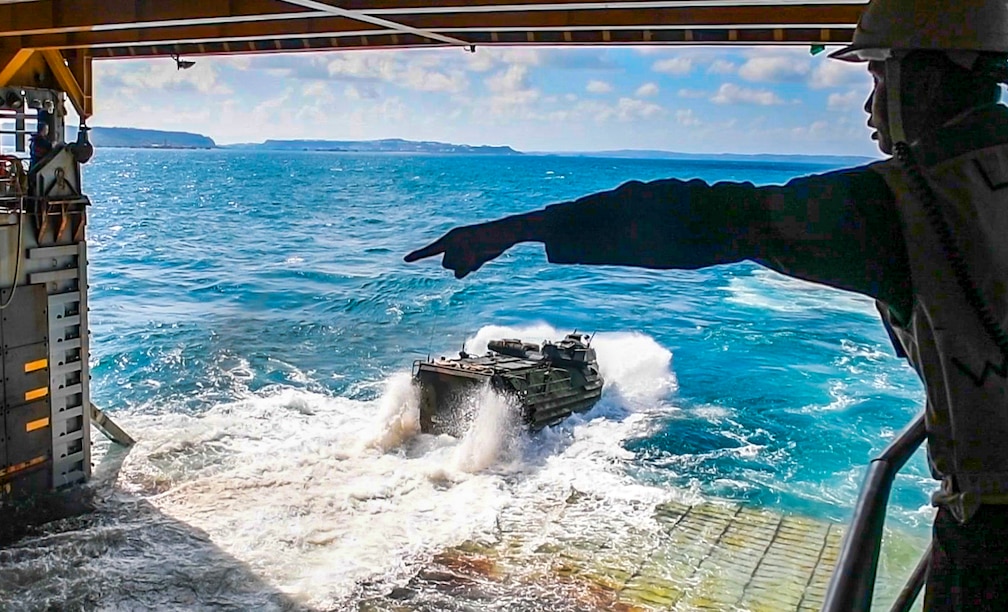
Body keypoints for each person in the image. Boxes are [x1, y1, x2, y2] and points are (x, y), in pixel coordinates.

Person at [404, 0, 1008, 609]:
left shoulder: (904, 205)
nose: (870, 106)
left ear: (930, 74)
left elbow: (710, 218)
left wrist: (514, 229)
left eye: (881, 76)